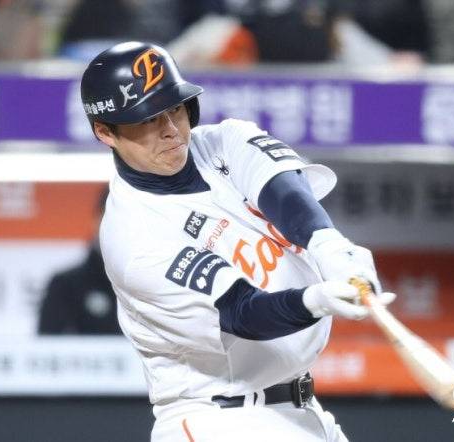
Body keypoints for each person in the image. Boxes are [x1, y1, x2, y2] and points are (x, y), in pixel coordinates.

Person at [80, 41, 393, 441]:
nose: (171, 130)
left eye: (174, 109)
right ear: (105, 131)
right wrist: (314, 300)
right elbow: (242, 312)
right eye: (148, 120)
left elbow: (288, 195)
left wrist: (330, 247)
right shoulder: (134, 237)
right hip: (218, 417)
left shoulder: (225, 141)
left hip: (302, 409)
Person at [38, 186, 121, 335]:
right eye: (110, 218)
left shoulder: (149, 286)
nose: (118, 230)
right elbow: (47, 346)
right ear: (96, 221)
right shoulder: (65, 286)